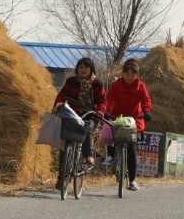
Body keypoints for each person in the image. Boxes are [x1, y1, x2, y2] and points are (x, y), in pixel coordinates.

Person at [53, 57, 107, 192]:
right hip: (72, 114)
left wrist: (100, 111)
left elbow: (102, 101)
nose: (83, 69)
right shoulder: (71, 82)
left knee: (87, 127)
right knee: (65, 145)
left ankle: (88, 155)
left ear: (91, 69)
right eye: (80, 67)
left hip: (90, 115)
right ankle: (62, 177)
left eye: (86, 67)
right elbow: (62, 96)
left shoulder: (98, 84)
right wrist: (57, 106)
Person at [104, 57, 154, 190]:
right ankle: (110, 155)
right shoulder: (116, 85)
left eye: (132, 74)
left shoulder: (141, 86)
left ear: (136, 75)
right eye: (127, 74)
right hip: (118, 117)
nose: (129, 77)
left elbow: (145, 100)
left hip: (134, 119)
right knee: (109, 130)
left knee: (132, 149)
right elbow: (109, 99)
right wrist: (106, 110)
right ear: (123, 73)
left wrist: (147, 111)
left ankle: (132, 180)